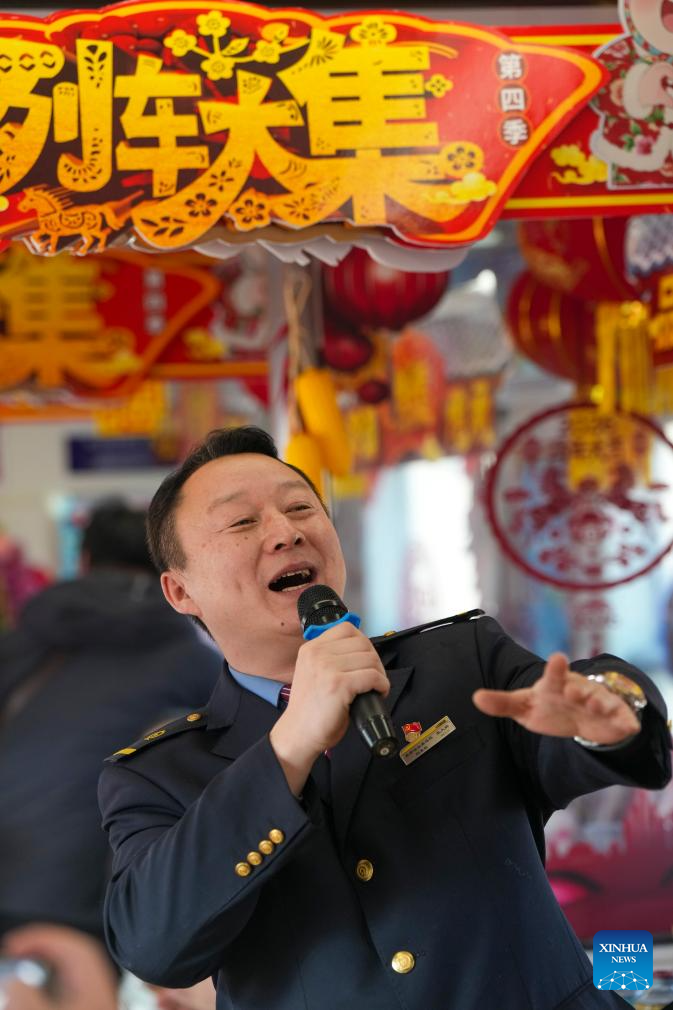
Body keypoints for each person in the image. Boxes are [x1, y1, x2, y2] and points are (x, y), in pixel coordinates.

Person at [98, 427, 671, 1010]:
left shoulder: (460, 661)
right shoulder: (156, 776)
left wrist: (607, 709)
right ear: (180, 591)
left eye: (300, 508)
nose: (286, 532)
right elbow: (153, 945)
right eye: (242, 522)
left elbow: (567, 720)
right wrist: (288, 747)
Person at [0, 500, 222, 944]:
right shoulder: (198, 662)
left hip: (11, 861)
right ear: (168, 572)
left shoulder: (22, 644)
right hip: (106, 890)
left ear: (84, 560)